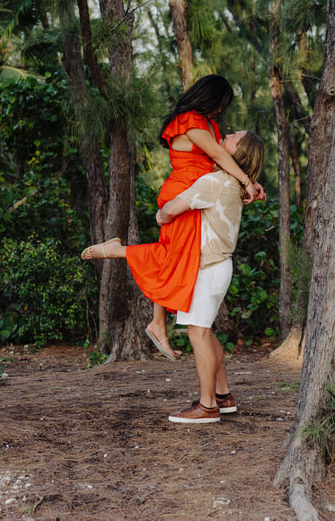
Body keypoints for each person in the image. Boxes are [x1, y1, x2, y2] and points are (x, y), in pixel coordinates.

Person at [82, 130, 264, 423]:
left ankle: (207, 408)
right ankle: (223, 395)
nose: (225, 135)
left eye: (232, 137)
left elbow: (172, 210)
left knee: (198, 333)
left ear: (237, 153)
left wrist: (162, 215)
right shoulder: (234, 184)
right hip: (218, 267)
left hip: (208, 268)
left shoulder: (214, 182)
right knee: (204, 331)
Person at [117, 75, 264, 362]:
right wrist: (247, 181)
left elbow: (225, 160)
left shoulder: (209, 123)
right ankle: (157, 322)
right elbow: (219, 155)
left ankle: (159, 322)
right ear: (209, 97)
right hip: (184, 192)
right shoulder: (189, 120)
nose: (222, 110)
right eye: (221, 103)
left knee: (179, 255)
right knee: (172, 255)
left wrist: (251, 181)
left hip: (198, 194)